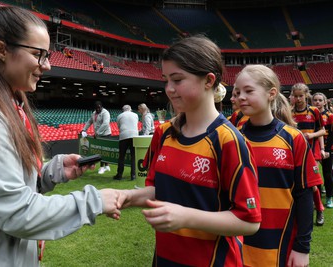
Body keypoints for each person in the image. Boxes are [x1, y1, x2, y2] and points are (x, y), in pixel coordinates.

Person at [0, 3, 121, 266]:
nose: (47, 66)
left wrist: (48, 174)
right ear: (1, 50)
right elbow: (17, 213)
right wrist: (95, 201)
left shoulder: (0, 107)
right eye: (38, 54)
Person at [118, 35, 261, 266]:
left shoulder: (229, 141)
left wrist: (186, 217)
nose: (169, 89)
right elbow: (158, 190)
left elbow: (249, 221)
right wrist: (127, 197)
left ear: (208, 80)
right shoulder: (165, 133)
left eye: (177, 80)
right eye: (166, 80)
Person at [234, 65, 323, 267]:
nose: (240, 97)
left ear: (271, 93)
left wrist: (302, 247)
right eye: (237, 92)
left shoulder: (293, 139)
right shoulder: (233, 138)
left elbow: (304, 194)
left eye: (249, 91)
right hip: (239, 243)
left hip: (281, 243)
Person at [291, 83, 326, 226]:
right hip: (295, 154)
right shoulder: (289, 112)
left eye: (301, 96)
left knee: (313, 185)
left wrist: (312, 137)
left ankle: (320, 210)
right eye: (296, 96)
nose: (298, 99)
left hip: (311, 154)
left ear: (306, 95)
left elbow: (322, 131)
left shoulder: (314, 111)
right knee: (296, 184)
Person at [312, 92, 333, 208]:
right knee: (316, 175)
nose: (317, 102)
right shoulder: (311, 114)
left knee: (327, 174)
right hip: (314, 149)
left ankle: (329, 197)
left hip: (327, 149)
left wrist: (327, 150)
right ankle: (317, 199)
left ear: (325, 102)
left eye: (320, 100)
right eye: (315, 100)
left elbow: (331, 135)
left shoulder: (329, 115)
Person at [81, 101, 112, 174]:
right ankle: (106, 166)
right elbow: (89, 121)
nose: (98, 109)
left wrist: (97, 132)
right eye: (96, 108)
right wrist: (84, 129)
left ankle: (102, 167)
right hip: (98, 134)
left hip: (105, 134)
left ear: (101, 106)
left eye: (99, 108)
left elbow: (105, 124)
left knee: (104, 151)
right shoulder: (94, 113)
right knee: (100, 150)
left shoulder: (105, 113)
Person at [113, 105, 139, 181]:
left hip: (124, 136)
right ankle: (133, 175)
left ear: (123, 110)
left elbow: (119, 126)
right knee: (133, 156)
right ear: (130, 109)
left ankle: (119, 175)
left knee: (121, 156)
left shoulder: (120, 116)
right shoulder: (135, 115)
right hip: (134, 135)